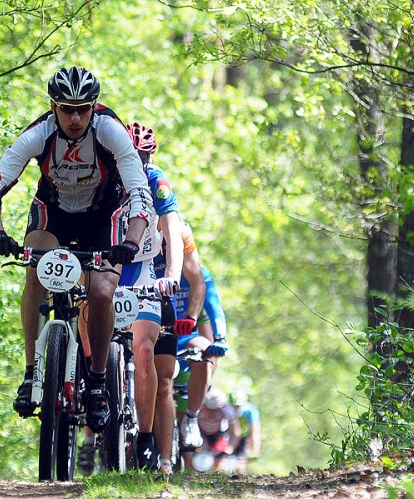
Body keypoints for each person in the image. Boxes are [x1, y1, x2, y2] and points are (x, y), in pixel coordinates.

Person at [0, 67, 152, 434]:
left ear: (93, 108)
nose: (75, 118)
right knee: (34, 267)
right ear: (53, 107)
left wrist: (131, 243)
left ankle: (97, 383)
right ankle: (32, 372)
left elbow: (139, 193)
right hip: (53, 213)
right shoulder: (39, 133)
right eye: (66, 109)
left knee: (102, 292)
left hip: (102, 214)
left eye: (83, 109)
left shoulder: (109, 131)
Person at [77, 121, 182, 473]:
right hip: (106, 265)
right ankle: (90, 404)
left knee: (144, 348)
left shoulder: (156, 180)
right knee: (84, 311)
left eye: (143, 156)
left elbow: (172, 228)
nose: (135, 162)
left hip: (142, 270)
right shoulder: (104, 174)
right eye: (130, 155)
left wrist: (172, 275)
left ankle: (147, 438)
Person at [153, 221, 228, 470]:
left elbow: (215, 307)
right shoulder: (148, 264)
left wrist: (219, 339)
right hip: (156, 333)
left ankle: (192, 419)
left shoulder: (198, 273)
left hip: (184, 335)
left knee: (205, 350)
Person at [195, 386, 240, 471]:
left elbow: (235, 432)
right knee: (198, 456)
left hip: (218, 435)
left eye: (215, 410)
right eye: (209, 409)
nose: (212, 413)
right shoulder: (198, 408)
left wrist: (229, 449)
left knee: (220, 458)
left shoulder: (227, 410)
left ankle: (215, 478)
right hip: (200, 433)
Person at [230, 390, 261, 474]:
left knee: (240, 463)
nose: (236, 408)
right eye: (234, 406)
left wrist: (255, 448)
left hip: (243, 438)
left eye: (238, 406)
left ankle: (242, 483)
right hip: (229, 436)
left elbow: (254, 430)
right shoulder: (226, 407)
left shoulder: (250, 411)